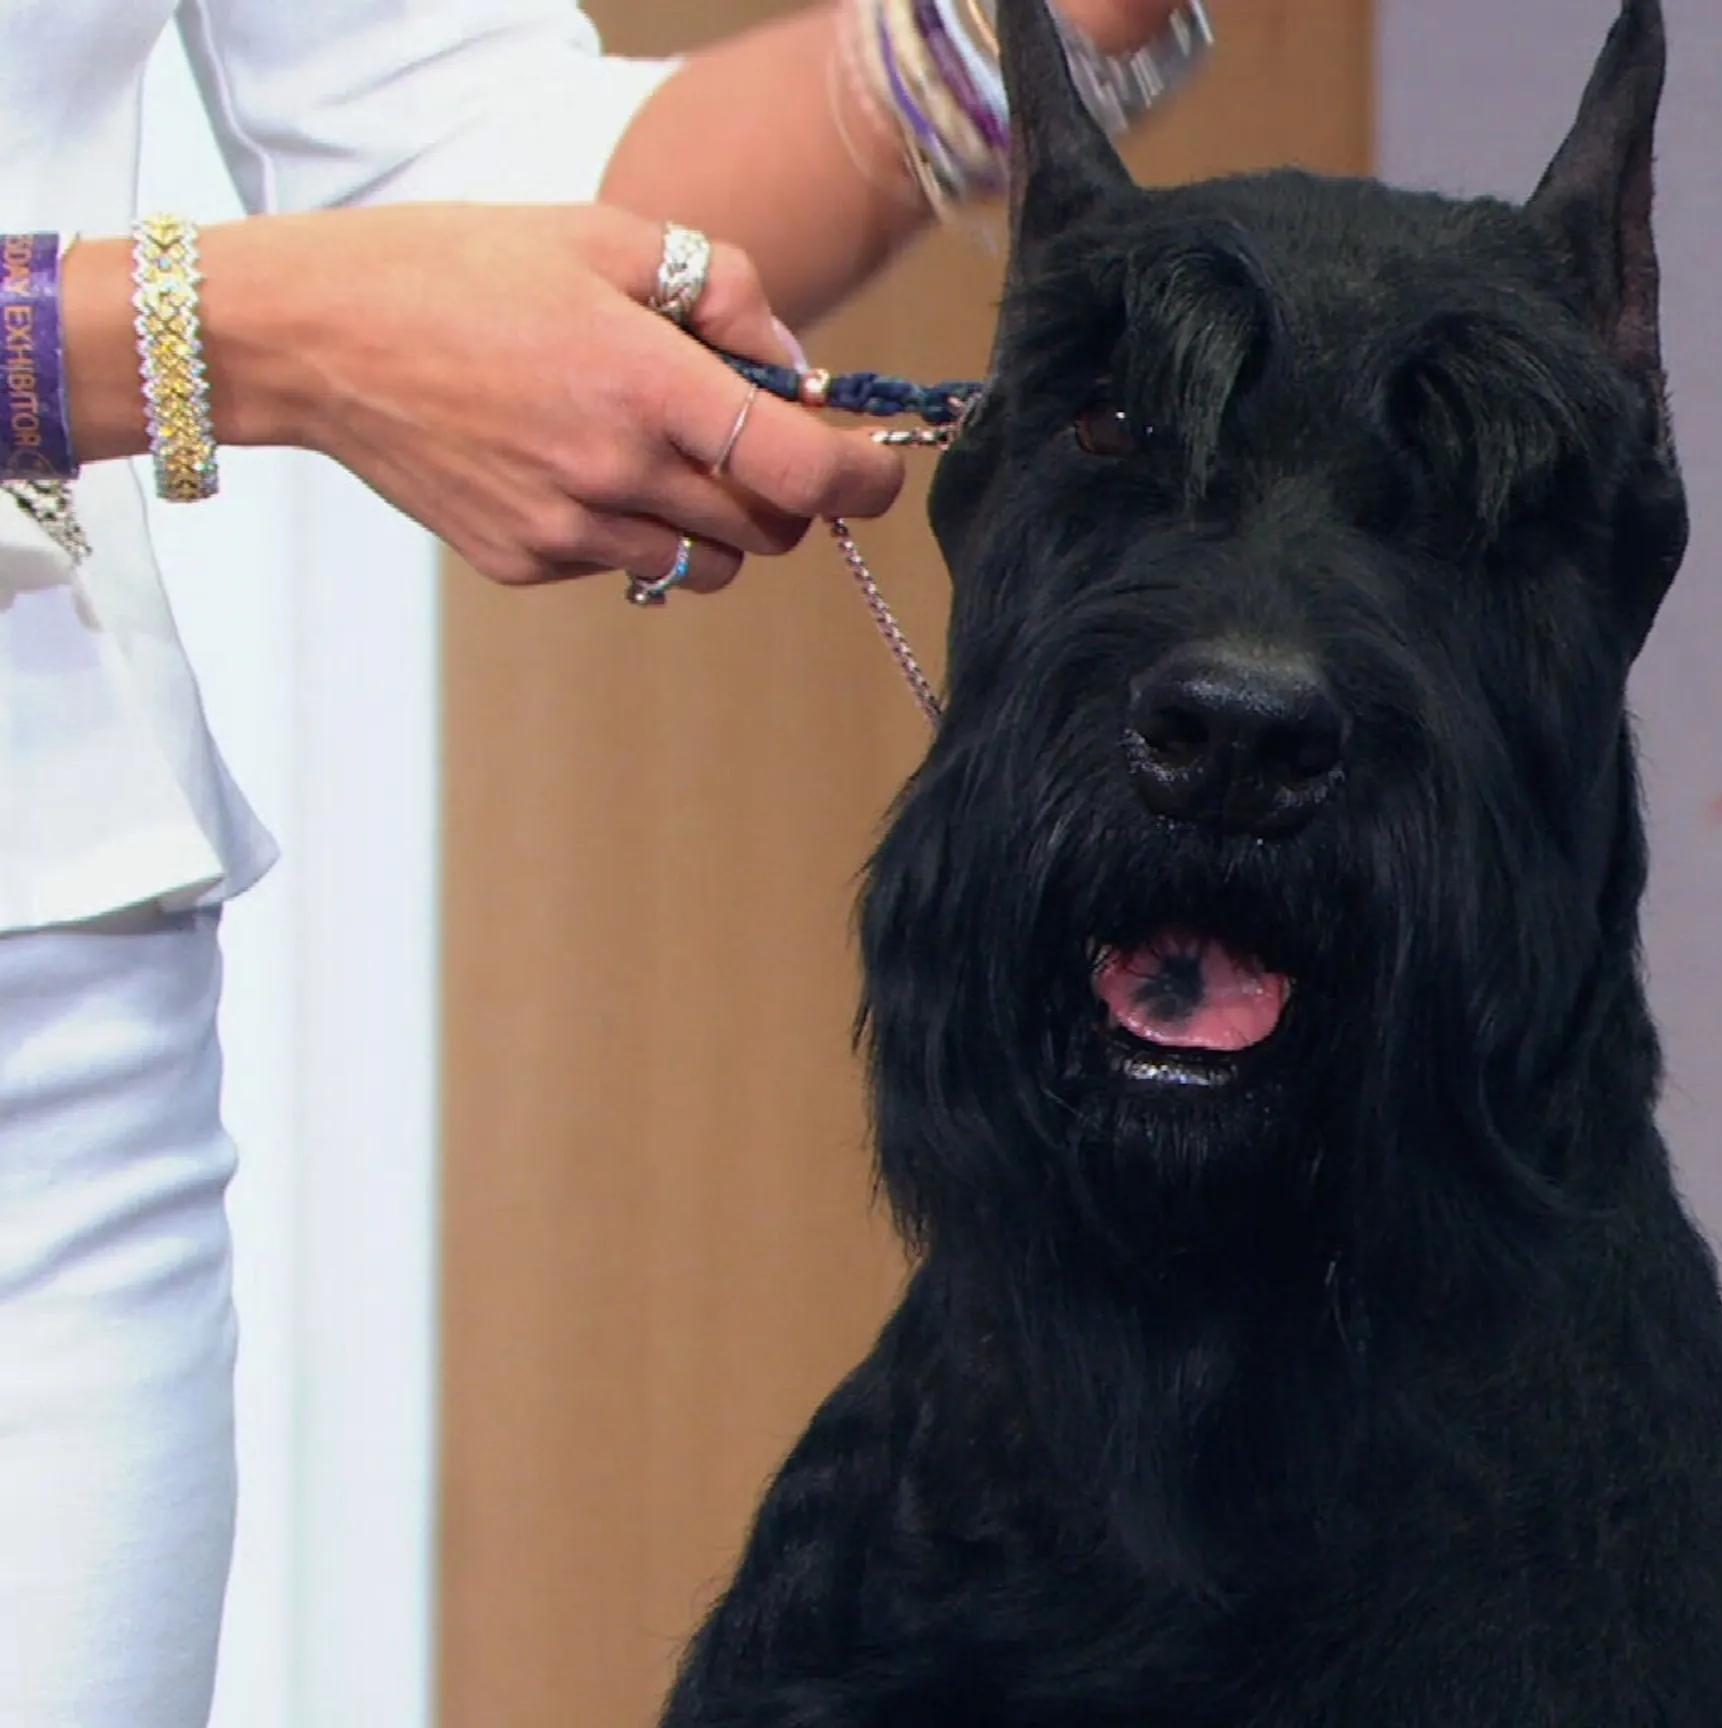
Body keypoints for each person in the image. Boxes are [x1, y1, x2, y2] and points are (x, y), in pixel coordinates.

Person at [0, 2, 1214, 1720]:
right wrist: (232, 335)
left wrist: (1013, 27)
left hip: (51, 1048)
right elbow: (336, 305)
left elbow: (466, 172)